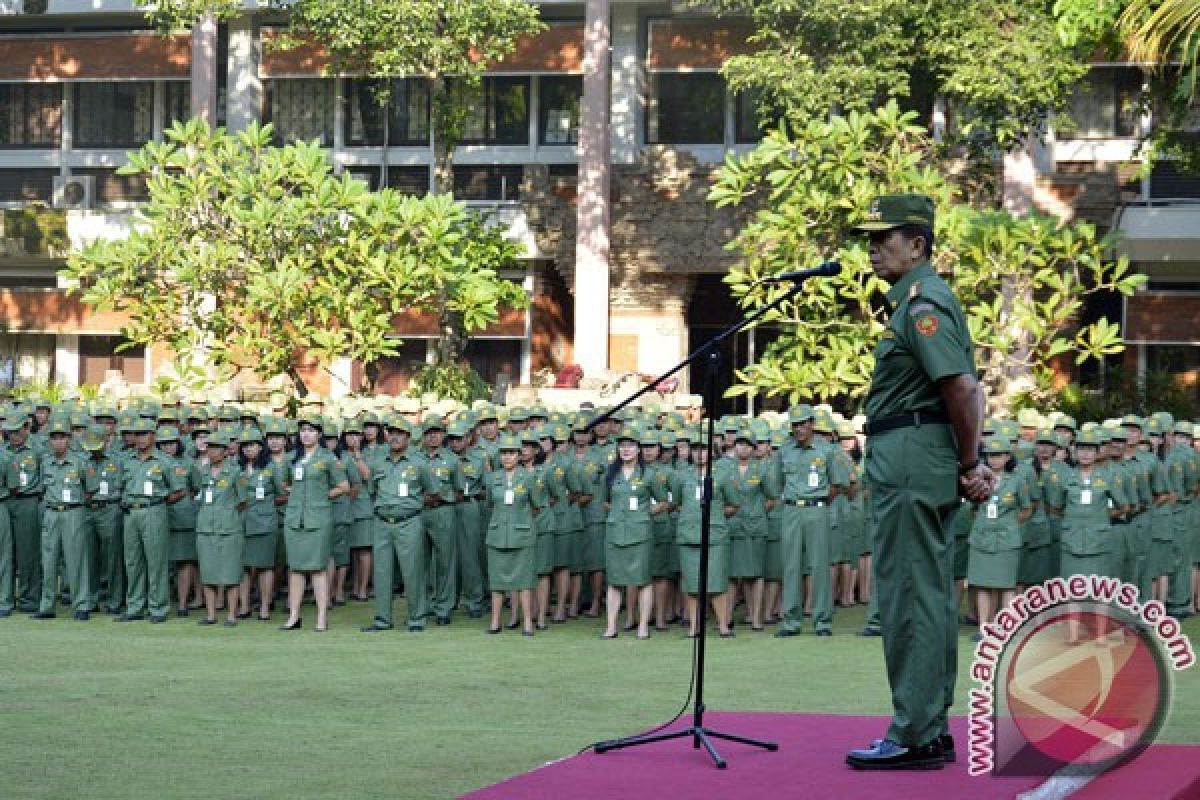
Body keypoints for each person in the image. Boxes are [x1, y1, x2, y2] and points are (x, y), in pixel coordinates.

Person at [846, 194, 991, 771]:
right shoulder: (915, 301)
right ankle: (929, 728)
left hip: (911, 452)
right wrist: (966, 461)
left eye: (885, 237)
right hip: (916, 451)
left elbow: (960, 387)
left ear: (918, 244)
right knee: (926, 594)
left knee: (908, 595)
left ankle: (913, 732)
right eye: (870, 239)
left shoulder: (922, 303)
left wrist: (971, 461)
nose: (874, 248)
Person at [361, 415, 437, 633]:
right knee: (382, 573)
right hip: (382, 522)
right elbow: (372, 491)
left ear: (408, 437)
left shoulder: (419, 463)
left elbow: (432, 492)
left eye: (399, 434)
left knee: (412, 572)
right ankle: (382, 619)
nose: (394, 437)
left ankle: (416, 618)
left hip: (409, 522)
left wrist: (411, 506)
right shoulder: (377, 463)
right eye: (391, 433)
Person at [280, 414, 349, 632]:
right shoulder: (293, 458)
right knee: (296, 569)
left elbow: (344, 486)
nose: (306, 434)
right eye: (303, 430)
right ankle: (294, 616)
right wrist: (297, 493)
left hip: (318, 519)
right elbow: (284, 484)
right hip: (294, 519)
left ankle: (321, 617)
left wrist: (322, 496)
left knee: (318, 569)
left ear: (319, 434)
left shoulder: (328, 458)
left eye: (311, 430)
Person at [118, 417, 187, 623]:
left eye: (143, 434)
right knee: (132, 561)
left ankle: (158, 607)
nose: (139, 439)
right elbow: (121, 485)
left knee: (156, 561)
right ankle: (135, 606)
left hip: (153, 510)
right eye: (136, 434)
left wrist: (161, 502)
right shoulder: (128, 460)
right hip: (131, 512)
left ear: (153, 436)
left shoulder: (164, 461)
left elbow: (179, 490)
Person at [599, 429, 665, 640]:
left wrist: (644, 513)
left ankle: (643, 626)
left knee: (643, 579)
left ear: (638, 449)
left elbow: (663, 501)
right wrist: (619, 514)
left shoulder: (648, 474)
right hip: (616, 531)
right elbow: (605, 501)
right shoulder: (610, 473)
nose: (626, 449)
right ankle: (611, 626)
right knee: (614, 580)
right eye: (622, 445)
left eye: (630, 445)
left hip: (640, 532)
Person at [966, 438, 1031, 640]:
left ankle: (1007, 627)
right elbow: (973, 509)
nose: (994, 460)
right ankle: (984, 626)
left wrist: (1009, 524)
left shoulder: (1017, 480)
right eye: (990, 456)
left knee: (1007, 585)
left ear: (1007, 457)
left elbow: (1026, 509)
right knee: (982, 583)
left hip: (1006, 539)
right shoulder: (977, 479)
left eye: (998, 455)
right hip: (982, 537)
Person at [675, 433, 736, 637]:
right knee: (692, 584)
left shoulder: (722, 475)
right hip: (689, 534)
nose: (699, 454)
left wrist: (715, 515)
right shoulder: (682, 475)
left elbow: (733, 504)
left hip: (715, 534)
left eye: (703, 449)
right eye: (695, 449)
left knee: (717, 582)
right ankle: (694, 628)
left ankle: (723, 625)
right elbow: (676, 502)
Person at [31, 417, 91, 621]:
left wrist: (76, 505)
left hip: (73, 512)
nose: (58, 442)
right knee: (48, 561)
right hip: (51, 513)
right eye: (54, 438)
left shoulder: (80, 462)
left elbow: (89, 490)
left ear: (69, 438)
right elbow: (42, 488)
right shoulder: (45, 462)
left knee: (76, 560)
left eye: (62, 437)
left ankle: (81, 604)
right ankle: (47, 605)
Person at [483, 434, 542, 635]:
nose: (507, 457)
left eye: (512, 453)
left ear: (519, 455)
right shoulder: (492, 478)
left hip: (522, 535)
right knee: (497, 581)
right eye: (504, 453)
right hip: (498, 534)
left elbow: (537, 505)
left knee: (525, 581)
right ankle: (495, 622)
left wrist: (520, 520)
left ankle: (527, 623)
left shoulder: (529, 477)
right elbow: (490, 503)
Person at [192, 429, 248, 627]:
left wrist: (227, 513)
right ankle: (211, 614)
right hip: (206, 526)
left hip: (229, 528)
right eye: (210, 447)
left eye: (217, 448)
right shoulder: (202, 471)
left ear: (225, 451)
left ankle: (232, 615)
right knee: (208, 572)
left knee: (231, 573)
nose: (212, 451)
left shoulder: (235, 473)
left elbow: (243, 500)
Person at [237, 427, 285, 621]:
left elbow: (283, 494)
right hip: (241, 523)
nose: (248, 449)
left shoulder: (271, 467)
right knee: (243, 567)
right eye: (245, 446)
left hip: (265, 522)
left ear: (260, 447)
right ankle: (244, 607)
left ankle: (265, 607)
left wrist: (264, 504)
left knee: (265, 566)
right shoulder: (236, 468)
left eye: (253, 445)